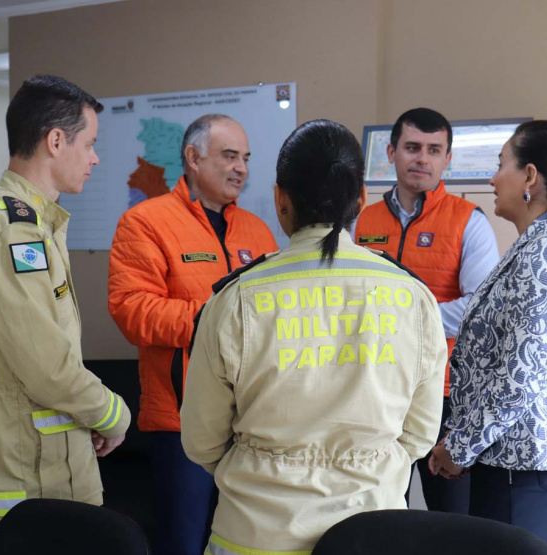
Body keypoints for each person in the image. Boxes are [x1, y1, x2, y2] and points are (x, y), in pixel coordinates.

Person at [181, 119, 447, 554]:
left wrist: (263, 468)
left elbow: (201, 442)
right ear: (360, 199)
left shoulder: (236, 299)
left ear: (280, 199)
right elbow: (418, 435)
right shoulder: (413, 297)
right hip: (372, 533)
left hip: (255, 535)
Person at [0, 75, 130, 536]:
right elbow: (45, 365)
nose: (95, 157)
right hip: (32, 478)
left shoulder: (31, 223)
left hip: (47, 464)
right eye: (89, 143)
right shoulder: (13, 230)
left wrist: (84, 414)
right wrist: (113, 413)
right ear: (54, 141)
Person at [428, 120, 547, 545]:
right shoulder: (536, 245)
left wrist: (458, 447)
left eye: (500, 165)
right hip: (512, 462)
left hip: (521, 468)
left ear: (529, 176)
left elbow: (517, 378)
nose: (492, 178)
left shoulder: (545, 253)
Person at [108, 114, 278, 554]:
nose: (240, 167)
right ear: (192, 157)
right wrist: (215, 319)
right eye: (229, 156)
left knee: (244, 541)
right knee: (184, 544)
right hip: (180, 424)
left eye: (245, 158)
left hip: (251, 424)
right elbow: (132, 311)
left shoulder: (257, 231)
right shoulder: (145, 222)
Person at [355, 108, 499, 513]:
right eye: (412, 147)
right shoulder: (364, 220)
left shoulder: (468, 221)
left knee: (449, 519)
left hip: (444, 394)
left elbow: (480, 307)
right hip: (377, 389)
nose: (422, 159)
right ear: (391, 152)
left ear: (447, 159)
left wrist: (407, 320)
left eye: (434, 150)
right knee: (381, 509)